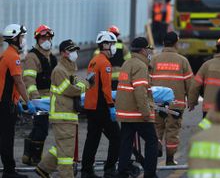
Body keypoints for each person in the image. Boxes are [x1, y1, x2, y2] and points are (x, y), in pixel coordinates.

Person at [36, 39, 91, 178]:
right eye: (70, 50)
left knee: (63, 147)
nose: (74, 53)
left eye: (75, 50)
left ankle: (43, 169)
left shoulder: (69, 70)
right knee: (66, 154)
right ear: (63, 53)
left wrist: (85, 83)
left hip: (67, 116)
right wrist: (87, 84)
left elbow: (79, 83)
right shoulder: (60, 70)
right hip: (63, 116)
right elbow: (70, 89)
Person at [115, 37, 158, 178]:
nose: (149, 52)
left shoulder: (127, 63)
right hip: (137, 113)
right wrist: (146, 112)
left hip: (126, 113)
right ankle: (150, 173)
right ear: (143, 50)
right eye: (148, 49)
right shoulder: (141, 65)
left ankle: (122, 172)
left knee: (126, 143)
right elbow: (140, 91)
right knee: (152, 142)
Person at [149, 31, 193, 165]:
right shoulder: (182, 61)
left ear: (163, 43)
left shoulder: (154, 59)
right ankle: (169, 159)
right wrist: (192, 101)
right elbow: (190, 84)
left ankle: (155, 148)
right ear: (176, 43)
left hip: (157, 104)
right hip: (176, 104)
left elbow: (147, 81)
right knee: (172, 131)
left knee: (157, 128)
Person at [81, 31, 120, 178]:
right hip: (102, 107)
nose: (113, 47)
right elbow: (106, 88)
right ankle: (110, 169)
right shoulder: (105, 63)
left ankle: (86, 170)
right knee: (117, 137)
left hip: (91, 106)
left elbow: (90, 83)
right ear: (105, 45)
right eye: (112, 44)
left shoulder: (94, 60)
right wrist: (111, 106)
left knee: (92, 139)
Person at [0, 24, 36, 178]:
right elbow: (19, 82)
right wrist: (28, 102)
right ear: (14, 38)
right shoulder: (13, 57)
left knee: (4, 137)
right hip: (5, 104)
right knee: (7, 138)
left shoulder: (6, 54)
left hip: (6, 102)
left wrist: (17, 101)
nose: (23, 40)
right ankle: (9, 171)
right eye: (21, 37)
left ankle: (9, 169)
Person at [22, 24, 57, 166]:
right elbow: (29, 79)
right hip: (39, 99)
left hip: (50, 98)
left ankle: (27, 156)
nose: (46, 40)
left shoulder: (52, 57)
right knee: (41, 128)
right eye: (43, 38)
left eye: (48, 37)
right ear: (37, 39)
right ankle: (35, 157)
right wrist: (35, 98)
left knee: (39, 127)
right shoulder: (32, 56)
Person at [188, 36, 220, 117]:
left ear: (217, 49)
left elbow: (195, 85)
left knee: (207, 129)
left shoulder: (207, 65)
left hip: (208, 111)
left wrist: (192, 102)